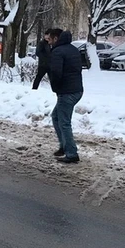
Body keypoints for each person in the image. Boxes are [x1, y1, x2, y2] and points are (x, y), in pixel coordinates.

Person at [47, 28, 83, 164]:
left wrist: (56, 88)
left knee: (64, 122)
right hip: (77, 90)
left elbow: (56, 73)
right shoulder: (73, 49)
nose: (49, 42)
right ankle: (64, 146)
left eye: (50, 39)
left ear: (56, 38)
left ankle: (72, 153)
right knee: (56, 117)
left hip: (66, 92)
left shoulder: (58, 51)